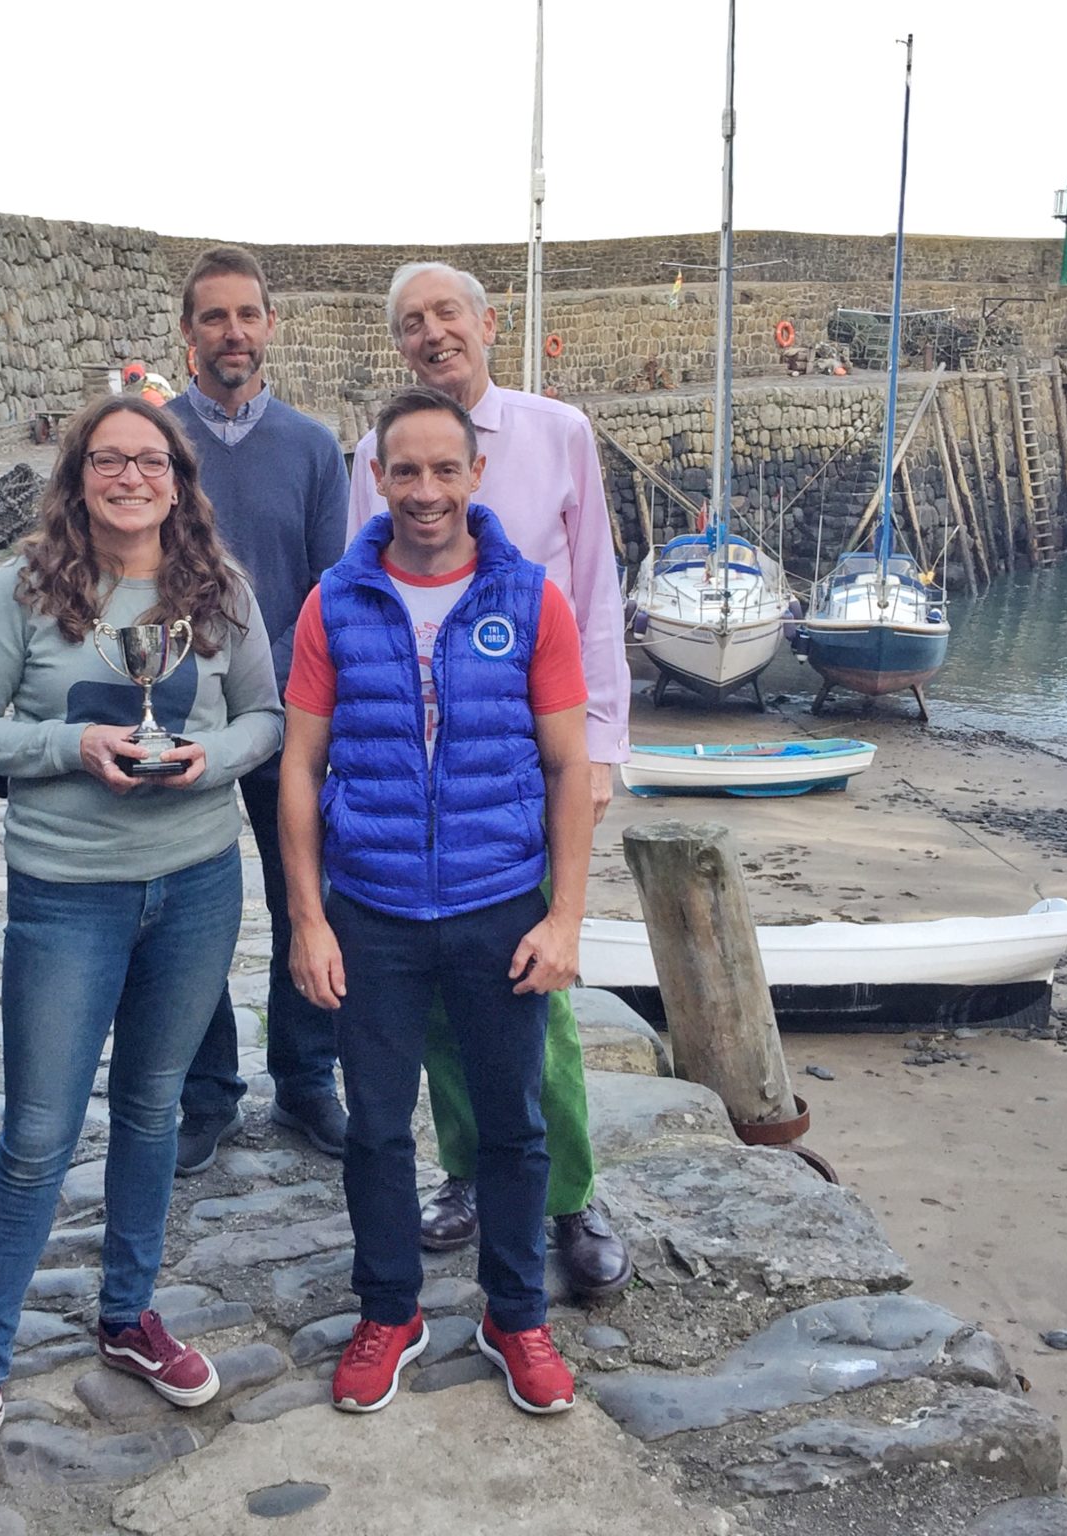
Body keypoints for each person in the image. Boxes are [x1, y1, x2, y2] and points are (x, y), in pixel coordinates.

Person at [0, 394, 282, 1500]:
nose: (132, 476)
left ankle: (127, 1313)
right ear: (77, 481)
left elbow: (263, 719)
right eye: (108, 460)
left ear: (178, 476)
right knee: (31, 1139)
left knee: (153, 1109)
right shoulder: (24, 593)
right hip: (67, 897)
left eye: (151, 459)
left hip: (195, 887)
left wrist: (204, 761)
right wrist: (72, 743)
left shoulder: (216, 589)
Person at [284, 385, 591, 1415]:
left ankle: (515, 1315)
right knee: (375, 1127)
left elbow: (565, 764)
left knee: (511, 1124)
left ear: (475, 474)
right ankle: (390, 1311)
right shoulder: (333, 601)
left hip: (497, 902)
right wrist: (308, 920)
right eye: (402, 470)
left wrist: (563, 919)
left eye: (441, 469)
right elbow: (298, 767)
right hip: (368, 908)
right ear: (375, 478)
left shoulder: (530, 599)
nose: (423, 490)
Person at [347, 261, 634, 1298]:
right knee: (431, 1006)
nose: (432, 333)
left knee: (534, 991)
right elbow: (354, 595)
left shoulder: (559, 434)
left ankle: (571, 1194)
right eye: (412, 323)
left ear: (486, 323)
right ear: (398, 345)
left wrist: (601, 749)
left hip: (528, 759)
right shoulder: (369, 455)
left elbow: (597, 591)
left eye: (446, 315)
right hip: (408, 779)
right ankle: (468, 1172)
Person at [168, 245, 350, 1174]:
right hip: (185, 719)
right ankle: (206, 1093)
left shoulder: (317, 448)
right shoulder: (151, 438)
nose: (232, 332)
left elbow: (331, 591)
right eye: (213, 317)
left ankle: (308, 1080)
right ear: (187, 331)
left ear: (270, 326)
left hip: (294, 716)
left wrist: (288, 694)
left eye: (247, 315)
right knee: (196, 910)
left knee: (301, 901)